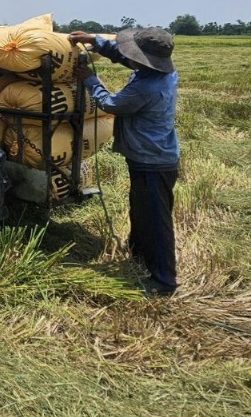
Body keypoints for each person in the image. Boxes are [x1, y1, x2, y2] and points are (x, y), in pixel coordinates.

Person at [68, 27, 179, 297]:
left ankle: (164, 281)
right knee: (141, 210)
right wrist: (94, 41)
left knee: (156, 220)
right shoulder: (161, 74)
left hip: (151, 161)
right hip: (150, 157)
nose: (128, 58)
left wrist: (90, 81)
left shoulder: (146, 87)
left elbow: (111, 104)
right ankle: (139, 253)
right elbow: (122, 55)